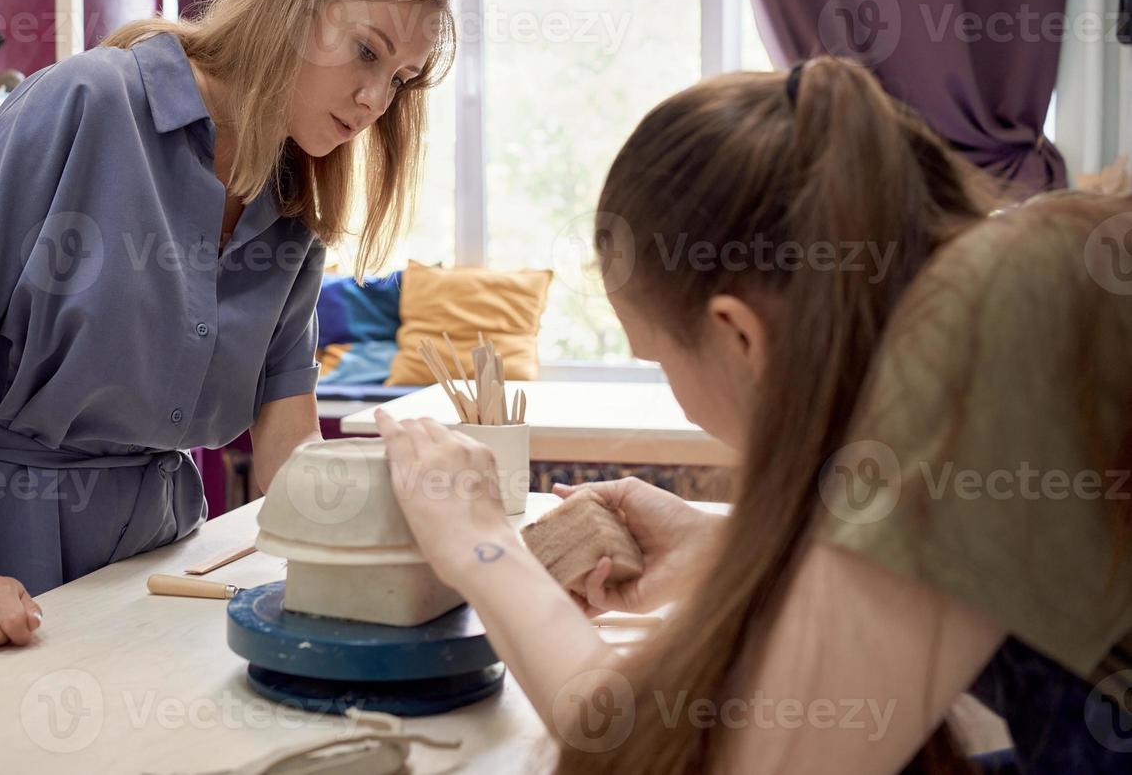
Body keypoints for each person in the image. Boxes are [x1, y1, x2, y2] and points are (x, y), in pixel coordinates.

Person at [375, 57, 1132, 772]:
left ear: (739, 335)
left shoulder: (987, 326)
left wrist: (479, 547)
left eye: (659, 360)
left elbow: (720, 762)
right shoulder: (1000, 281)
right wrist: (724, 548)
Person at [0, 0, 454, 658]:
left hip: (163, 562)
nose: (377, 100)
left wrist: (401, 532)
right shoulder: (86, 102)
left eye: (399, 81)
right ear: (294, 8)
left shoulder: (294, 216)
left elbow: (287, 441)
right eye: (366, 53)